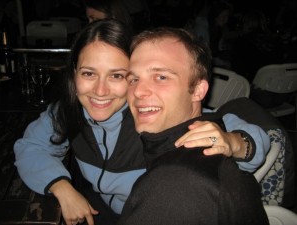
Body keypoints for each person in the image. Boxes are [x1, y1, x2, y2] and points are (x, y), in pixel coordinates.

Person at [14, 19, 269, 225]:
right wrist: (62, 187)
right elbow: (29, 147)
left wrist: (234, 142)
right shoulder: (69, 110)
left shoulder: (150, 116)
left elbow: (242, 131)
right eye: (89, 73)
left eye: (117, 75)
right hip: (100, 207)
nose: (100, 91)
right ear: (74, 76)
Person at [118, 26, 269, 225]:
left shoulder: (174, 183)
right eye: (134, 79)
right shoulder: (179, 137)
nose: (138, 91)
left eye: (161, 77)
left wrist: (234, 142)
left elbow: (258, 139)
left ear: (198, 90)